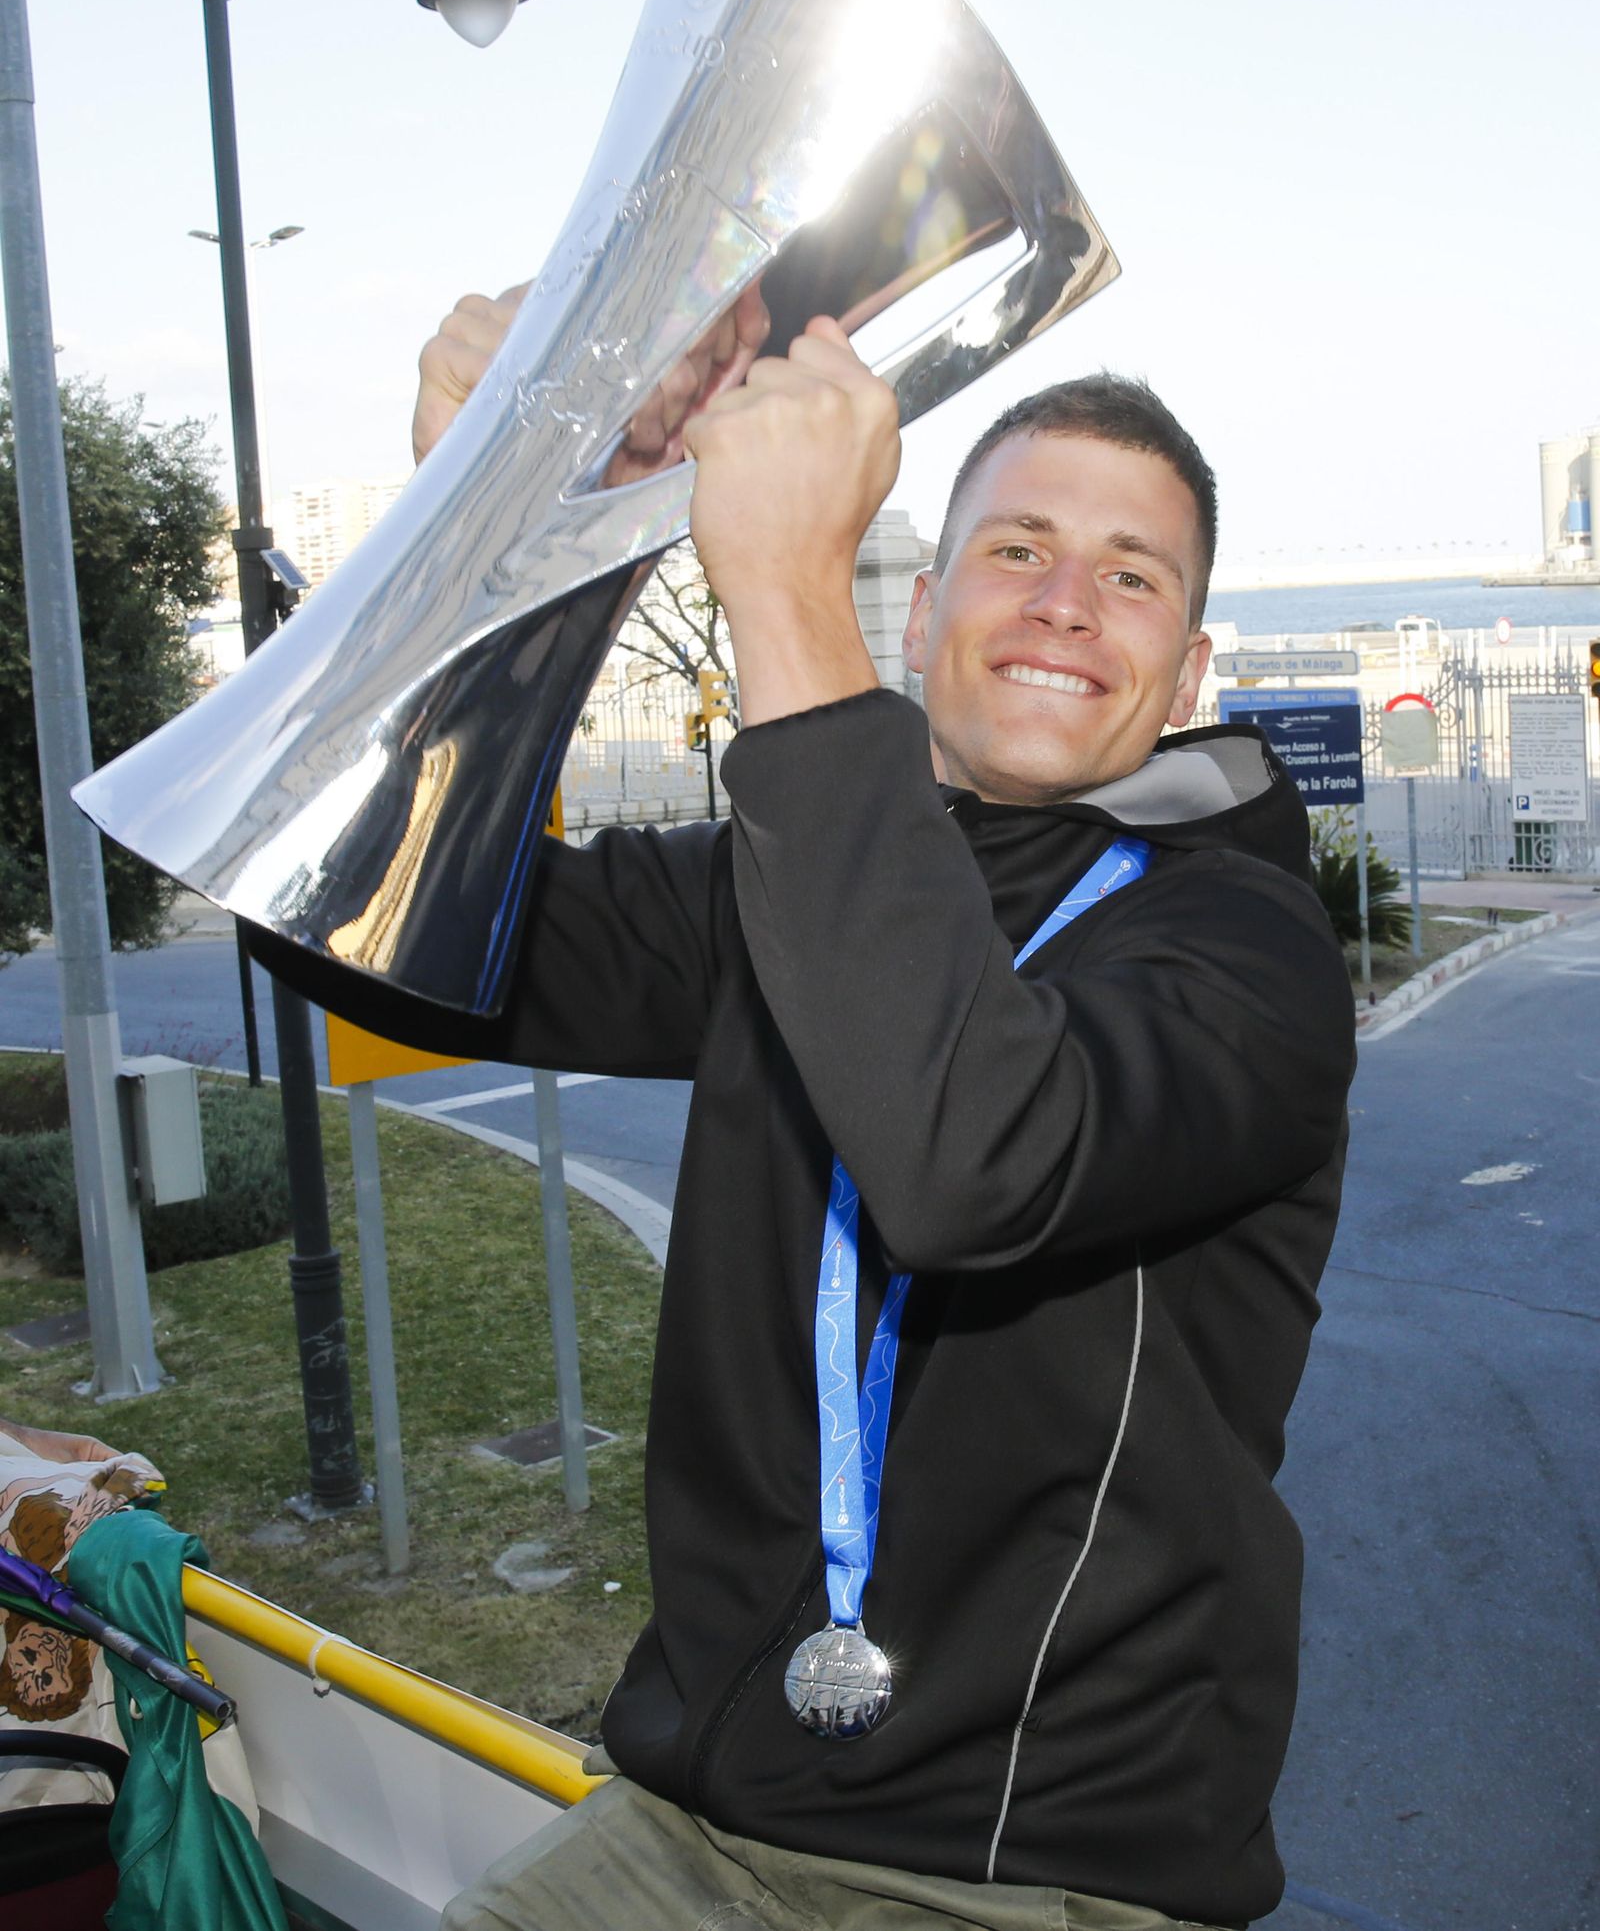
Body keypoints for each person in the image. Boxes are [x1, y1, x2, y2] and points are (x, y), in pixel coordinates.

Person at [258, 288, 1354, 1931]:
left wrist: (783, 591)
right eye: (1016, 549)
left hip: (1039, 1872)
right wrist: (508, 545)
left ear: (1187, 668)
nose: (1069, 603)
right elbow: (367, 935)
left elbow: (972, 1155)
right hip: (702, 1822)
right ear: (917, 621)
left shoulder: (1243, 945)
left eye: (1133, 576)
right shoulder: (774, 880)